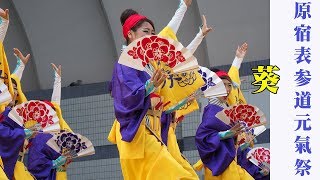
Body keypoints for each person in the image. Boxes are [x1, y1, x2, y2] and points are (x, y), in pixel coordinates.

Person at [107, 1, 199, 179]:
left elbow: (177, 57)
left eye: (152, 32)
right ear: (130, 34)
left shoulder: (152, 63)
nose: (151, 35)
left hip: (154, 127)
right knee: (176, 174)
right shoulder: (125, 61)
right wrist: (149, 86)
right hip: (137, 128)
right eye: (145, 32)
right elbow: (127, 97)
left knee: (179, 173)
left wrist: (175, 105)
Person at [27, 63, 73, 180]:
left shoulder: (57, 130)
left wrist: (58, 80)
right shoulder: (37, 135)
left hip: (59, 174)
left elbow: (56, 105)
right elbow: (34, 167)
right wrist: (53, 164)